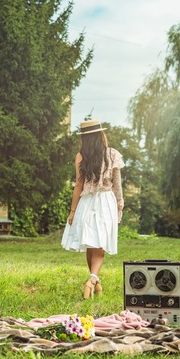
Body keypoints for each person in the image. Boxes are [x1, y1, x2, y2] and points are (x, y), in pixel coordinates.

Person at [61, 118, 125, 299]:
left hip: (87, 202)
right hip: (106, 201)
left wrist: (73, 211)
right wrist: (119, 204)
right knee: (99, 243)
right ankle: (92, 280)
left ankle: (95, 283)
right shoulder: (112, 154)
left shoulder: (81, 156)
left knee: (91, 242)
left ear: (85, 138)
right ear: (101, 134)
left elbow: (78, 186)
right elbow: (117, 185)